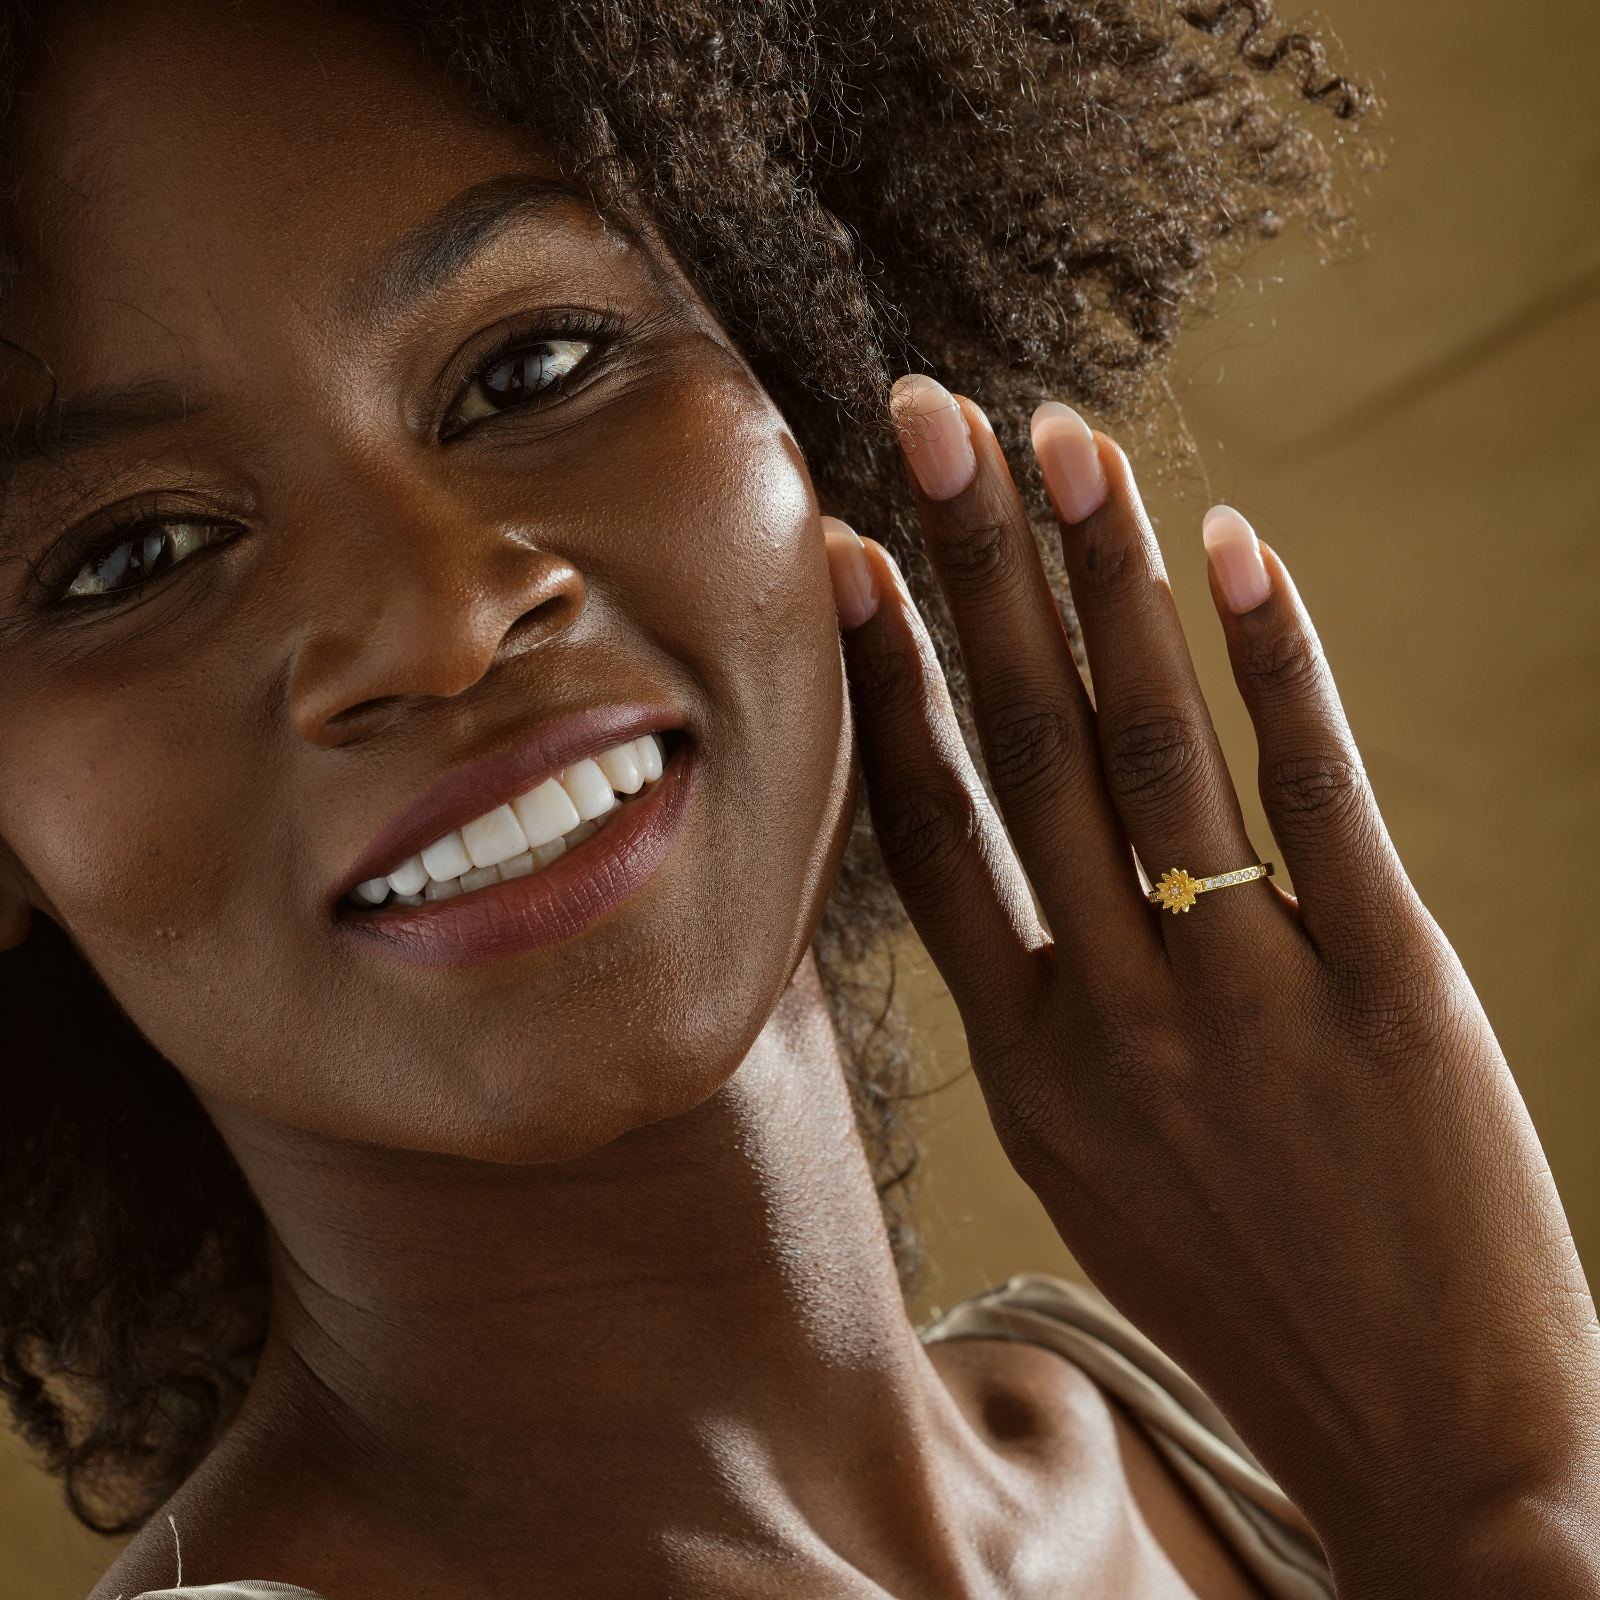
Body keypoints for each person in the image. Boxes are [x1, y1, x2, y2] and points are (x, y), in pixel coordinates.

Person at [0, 1, 1594, 1596]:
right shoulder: (1429, 1452)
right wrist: (1504, 1503)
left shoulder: (1211, 1433)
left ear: (805, 374)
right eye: (129, 557)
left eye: (530, 366)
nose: (441, 618)